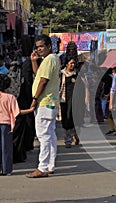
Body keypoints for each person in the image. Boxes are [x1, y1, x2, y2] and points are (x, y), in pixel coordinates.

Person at [26, 34, 60, 178]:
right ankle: (50, 165)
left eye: (42, 46)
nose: (39, 49)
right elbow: (39, 74)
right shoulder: (50, 60)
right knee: (50, 135)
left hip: (45, 102)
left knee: (43, 136)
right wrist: (34, 61)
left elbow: (43, 81)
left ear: (49, 47)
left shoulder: (49, 59)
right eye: (37, 47)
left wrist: (34, 99)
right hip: (50, 102)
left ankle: (43, 167)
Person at [0, 74, 34, 175]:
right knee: (6, 148)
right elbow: (17, 112)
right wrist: (30, 110)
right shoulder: (10, 97)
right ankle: (6, 169)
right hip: (6, 125)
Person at [59, 57, 80, 148]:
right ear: (66, 64)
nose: (72, 65)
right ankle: (68, 139)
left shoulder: (77, 74)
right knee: (66, 119)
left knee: (73, 119)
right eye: (71, 63)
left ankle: (73, 136)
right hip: (64, 100)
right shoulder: (61, 74)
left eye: (73, 63)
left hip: (75, 100)